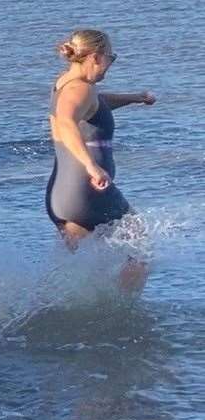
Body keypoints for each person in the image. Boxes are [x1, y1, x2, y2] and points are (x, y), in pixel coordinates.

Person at [48, 29, 156, 292]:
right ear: (96, 57)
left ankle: (47, 313)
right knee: (140, 245)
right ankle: (123, 315)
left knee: (88, 273)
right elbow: (66, 121)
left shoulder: (66, 84)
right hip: (87, 191)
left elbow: (96, 104)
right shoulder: (81, 89)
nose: (110, 65)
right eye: (111, 58)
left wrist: (134, 98)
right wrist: (91, 165)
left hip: (63, 197)